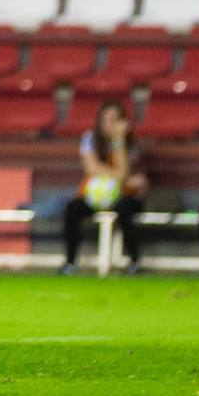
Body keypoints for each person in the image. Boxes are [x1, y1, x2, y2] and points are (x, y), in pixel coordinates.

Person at [60, 99, 149, 274]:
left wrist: (118, 141)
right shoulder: (90, 140)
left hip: (125, 196)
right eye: (106, 120)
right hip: (97, 196)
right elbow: (93, 169)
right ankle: (70, 263)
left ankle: (134, 262)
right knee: (72, 208)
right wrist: (120, 177)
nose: (110, 125)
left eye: (114, 120)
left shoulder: (131, 145)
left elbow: (123, 172)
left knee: (126, 208)